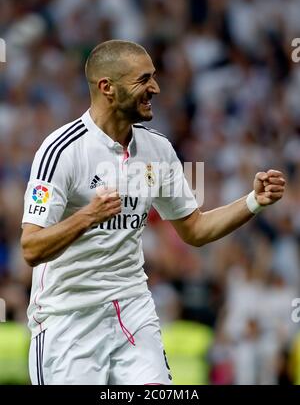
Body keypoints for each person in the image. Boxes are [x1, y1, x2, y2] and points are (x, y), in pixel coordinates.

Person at [21, 40, 285, 385]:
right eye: (143, 80)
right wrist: (87, 216)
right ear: (107, 88)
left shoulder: (158, 149)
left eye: (154, 77)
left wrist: (253, 200)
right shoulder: (61, 151)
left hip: (133, 311)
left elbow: (196, 229)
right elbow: (31, 247)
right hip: (68, 319)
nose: (155, 89)